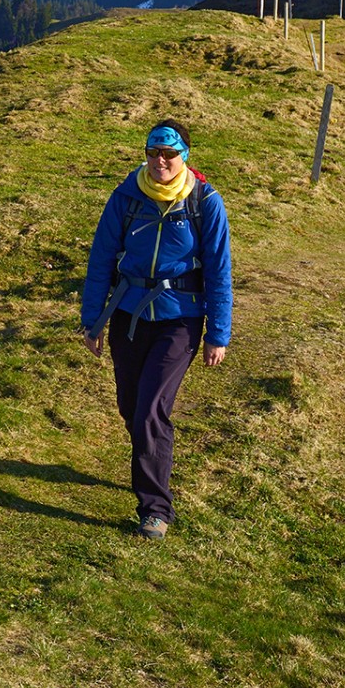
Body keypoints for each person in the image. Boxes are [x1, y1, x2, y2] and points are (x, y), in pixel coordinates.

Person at [80, 119, 233, 540]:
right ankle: (152, 461)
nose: (160, 161)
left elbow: (219, 272)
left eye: (169, 154)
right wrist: (92, 321)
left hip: (180, 320)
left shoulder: (205, 202)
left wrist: (218, 333)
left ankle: (155, 508)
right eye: (153, 152)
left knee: (150, 411)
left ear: (185, 155)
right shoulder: (126, 197)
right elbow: (101, 260)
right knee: (131, 406)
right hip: (128, 314)